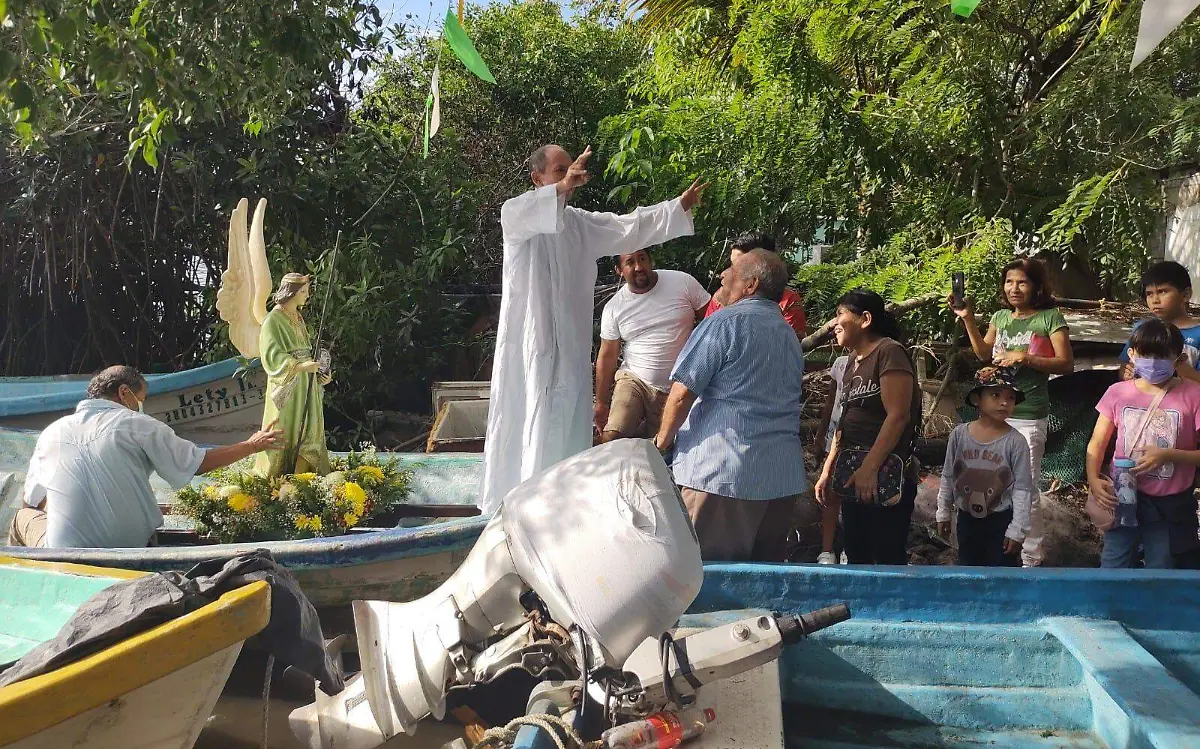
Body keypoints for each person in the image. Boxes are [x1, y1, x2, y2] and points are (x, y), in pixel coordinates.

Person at [478, 144, 706, 514]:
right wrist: (563, 185)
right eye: (559, 170)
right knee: (527, 418)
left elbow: (630, 226)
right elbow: (525, 211)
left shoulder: (581, 224)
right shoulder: (517, 213)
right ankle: (517, 504)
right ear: (538, 179)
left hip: (568, 351)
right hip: (530, 350)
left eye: (571, 168)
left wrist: (676, 208)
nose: (570, 175)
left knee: (566, 422)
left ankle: (560, 505)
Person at [9, 366, 281, 549]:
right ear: (124, 393)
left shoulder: (51, 432)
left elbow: (31, 502)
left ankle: (22, 586)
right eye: (142, 398)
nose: (142, 405)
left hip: (66, 554)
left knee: (22, 515)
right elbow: (197, 463)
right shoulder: (138, 424)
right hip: (133, 546)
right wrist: (250, 445)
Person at [654, 249, 805, 561]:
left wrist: (661, 444)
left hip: (723, 476)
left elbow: (682, 394)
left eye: (731, 270)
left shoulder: (724, 323)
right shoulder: (788, 335)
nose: (722, 275)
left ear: (750, 285)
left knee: (705, 581)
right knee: (760, 587)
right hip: (780, 477)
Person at [950, 259, 1073, 567]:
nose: (1014, 289)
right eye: (1009, 282)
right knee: (992, 481)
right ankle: (996, 548)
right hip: (993, 415)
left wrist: (1026, 358)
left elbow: (1065, 363)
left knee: (1024, 487)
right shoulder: (1001, 317)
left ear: (1036, 287)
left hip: (1028, 415)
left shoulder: (1050, 317)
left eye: (1022, 282)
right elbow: (984, 353)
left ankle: (1031, 559)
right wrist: (968, 319)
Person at [816, 290, 922, 565]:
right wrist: (829, 470)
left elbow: (898, 415)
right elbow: (845, 420)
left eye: (840, 313)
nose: (833, 322)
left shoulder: (890, 352)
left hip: (884, 474)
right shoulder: (852, 361)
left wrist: (869, 468)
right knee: (856, 553)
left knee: (885, 557)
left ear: (865, 319)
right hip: (854, 471)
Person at [1086, 320, 1200, 568]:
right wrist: (1094, 479)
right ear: (1132, 354)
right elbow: (1097, 443)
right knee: (1113, 563)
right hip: (1123, 497)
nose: (1153, 362)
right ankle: (1111, 606)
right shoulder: (1117, 393)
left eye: (1162, 356)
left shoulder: (1194, 395)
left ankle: (1154, 607)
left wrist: (1169, 455)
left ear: (1178, 358)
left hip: (1169, 506)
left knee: (1160, 567)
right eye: (1146, 354)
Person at [594, 250, 710, 442]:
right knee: (613, 436)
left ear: (650, 260)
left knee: (664, 446)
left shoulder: (682, 282)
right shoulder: (614, 307)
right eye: (630, 262)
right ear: (619, 270)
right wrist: (601, 403)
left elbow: (714, 320)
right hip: (634, 380)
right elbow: (607, 356)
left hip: (679, 387)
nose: (639, 267)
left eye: (642, 259)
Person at [936, 367, 1034, 567]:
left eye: (1011, 398)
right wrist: (943, 512)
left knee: (1001, 574)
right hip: (966, 519)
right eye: (995, 394)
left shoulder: (1016, 442)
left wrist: (1017, 529)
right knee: (968, 569)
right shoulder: (959, 435)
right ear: (976, 399)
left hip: (1000, 521)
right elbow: (948, 475)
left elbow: (1023, 488)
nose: (1004, 402)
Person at [255, 272, 332, 478]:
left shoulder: (297, 317)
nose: (307, 295)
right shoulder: (273, 319)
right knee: (285, 428)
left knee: (309, 429)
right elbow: (271, 354)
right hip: (288, 385)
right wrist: (300, 366)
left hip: (306, 382)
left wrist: (319, 374)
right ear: (293, 293)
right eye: (304, 291)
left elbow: (306, 351)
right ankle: (277, 477)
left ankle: (303, 476)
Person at [703, 232, 807, 337]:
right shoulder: (720, 298)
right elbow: (707, 339)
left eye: (738, 266)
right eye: (732, 265)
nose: (725, 273)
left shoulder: (788, 302)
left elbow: (785, 346)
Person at [1119, 261, 1200, 383]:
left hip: (1185, 400)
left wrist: (1175, 365)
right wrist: (1127, 373)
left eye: (1162, 291)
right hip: (1145, 400)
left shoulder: (1198, 333)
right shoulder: (1142, 328)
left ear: (1185, 295)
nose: (1155, 300)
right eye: (1149, 294)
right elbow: (1124, 368)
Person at [815, 353, 850, 564]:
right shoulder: (840, 364)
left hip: (858, 442)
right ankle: (826, 550)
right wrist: (820, 434)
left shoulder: (877, 361)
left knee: (851, 495)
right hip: (833, 438)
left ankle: (849, 546)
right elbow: (830, 402)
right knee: (830, 493)